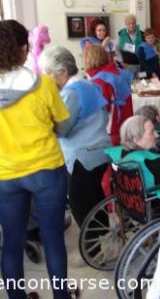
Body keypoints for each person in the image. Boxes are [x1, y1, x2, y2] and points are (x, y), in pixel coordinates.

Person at [0, 20, 71, 299]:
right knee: (53, 239)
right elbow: (63, 126)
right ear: (23, 49)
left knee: (12, 242)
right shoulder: (42, 85)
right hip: (46, 170)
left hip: (5, 175)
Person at [39, 46, 111, 227]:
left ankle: (95, 249)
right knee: (94, 199)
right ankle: (103, 241)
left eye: (47, 73)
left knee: (81, 204)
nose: (45, 79)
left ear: (62, 72)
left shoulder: (71, 93)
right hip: (99, 150)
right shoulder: (89, 84)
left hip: (84, 155)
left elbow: (62, 129)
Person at [108, 115, 160, 187]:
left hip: (131, 201)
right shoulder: (155, 162)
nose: (157, 135)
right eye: (151, 132)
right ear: (136, 140)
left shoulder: (118, 157)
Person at [84, 45, 133, 145]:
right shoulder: (116, 72)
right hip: (125, 123)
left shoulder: (99, 80)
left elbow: (99, 111)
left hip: (112, 129)